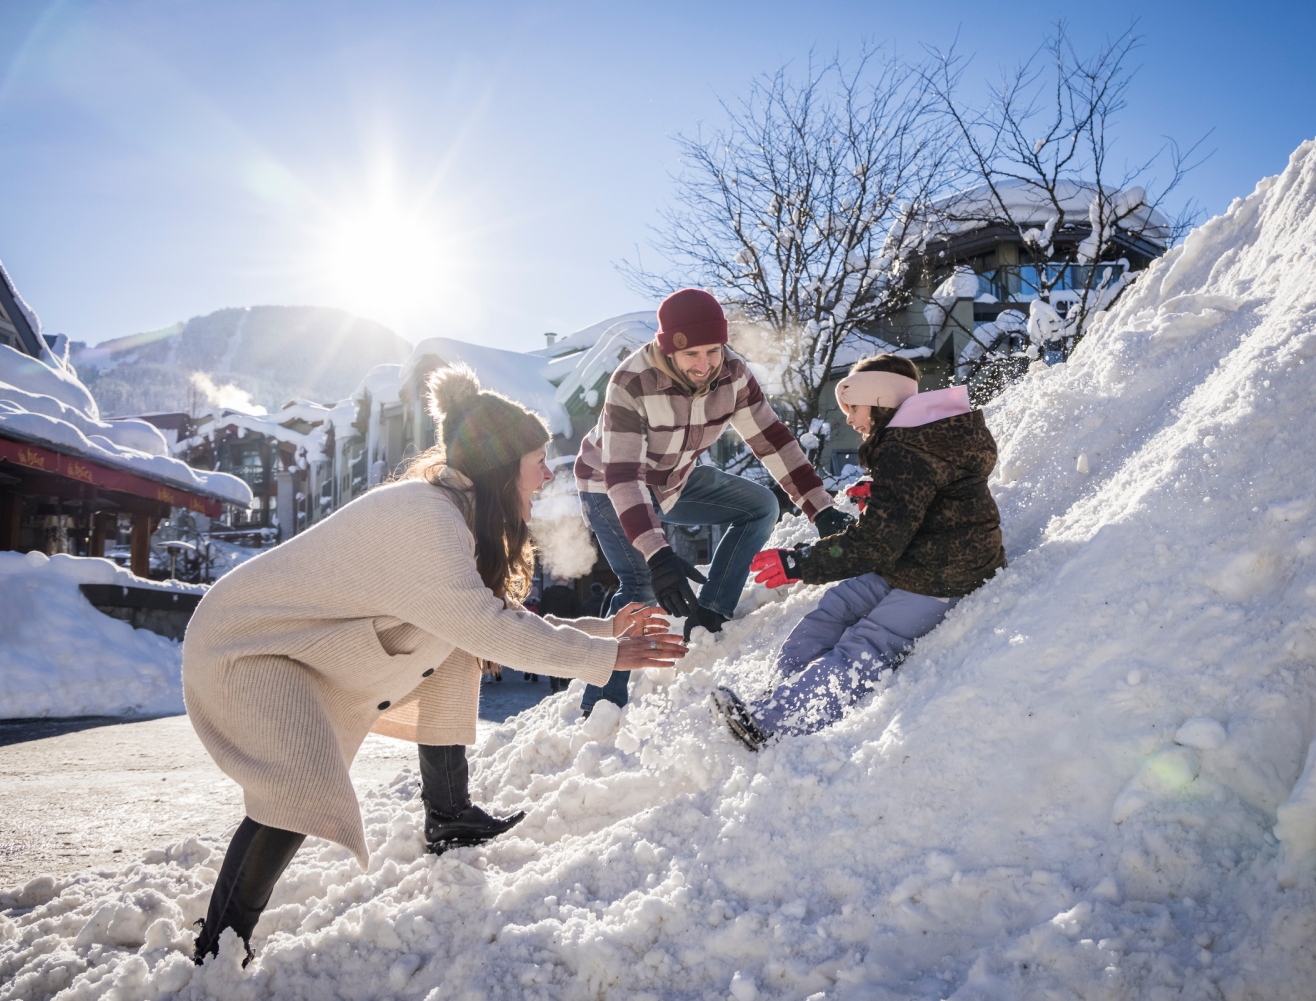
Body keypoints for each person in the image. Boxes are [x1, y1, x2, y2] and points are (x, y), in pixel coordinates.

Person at [184, 364, 686, 964]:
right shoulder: (428, 517)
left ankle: (447, 814)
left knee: (450, 647)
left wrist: (605, 630)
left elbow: (491, 619)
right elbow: (488, 625)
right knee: (299, 787)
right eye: (536, 459)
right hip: (247, 645)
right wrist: (605, 656)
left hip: (296, 646)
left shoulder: (456, 519)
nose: (546, 473)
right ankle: (217, 950)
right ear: (503, 467)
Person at [573, 288, 852, 714]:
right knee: (642, 583)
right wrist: (658, 556)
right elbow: (624, 476)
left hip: (675, 480)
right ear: (668, 350)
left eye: (713, 351)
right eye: (692, 355)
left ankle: (711, 614)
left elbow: (771, 440)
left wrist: (821, 507)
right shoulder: (631, 383)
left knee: (760, 506)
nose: (704, 365)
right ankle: (601, 704)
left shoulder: (733, 376)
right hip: (610, 484)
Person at [713, 353, 1006, 750]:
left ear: (881, 399)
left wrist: (800, 563)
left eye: (853, 406)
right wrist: (884, 496)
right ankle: (780, 696)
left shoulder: (906, 448)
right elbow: (930, 493)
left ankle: (773, 724)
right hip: (910, 559)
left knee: (866, 642)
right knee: (833, 610)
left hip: (946, 572)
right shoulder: (916, 437)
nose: (849, 419)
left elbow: (876, 542)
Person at [537, 578, 583, 690]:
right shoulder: (572, 594)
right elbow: (578, 613)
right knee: (566, 655)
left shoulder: (547, 593)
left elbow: (541, 611)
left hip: (550, 628)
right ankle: (564, 678)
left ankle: (554, 682)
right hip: (568, 628)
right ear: (567, 581)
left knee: (552, 655)